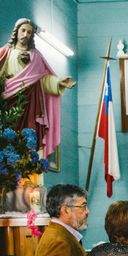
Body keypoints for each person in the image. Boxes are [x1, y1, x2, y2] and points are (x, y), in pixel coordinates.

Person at [0, 18, 76, 157]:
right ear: (16, 32)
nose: (25, 34)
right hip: (7, 101)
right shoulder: (5, 53)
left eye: (29, 32)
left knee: (27, 137)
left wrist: (59, 82)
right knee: (7, 135)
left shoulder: (36, 56)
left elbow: (43, 79)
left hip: (30, 103)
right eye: (23, 30)